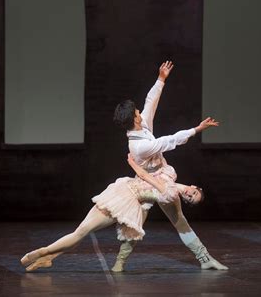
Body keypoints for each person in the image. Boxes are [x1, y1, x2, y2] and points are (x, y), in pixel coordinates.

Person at [111, 61, 228, 271]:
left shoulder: (142, 125)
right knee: (138, 223)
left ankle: (205, 259)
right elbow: (170, 140)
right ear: (134, 119)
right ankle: (120, 262)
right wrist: (197, 129)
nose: (139, 111)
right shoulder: (139, 145)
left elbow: (150, 102)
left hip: (162, 177)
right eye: (137, 112)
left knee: (179, 220)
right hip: (147, 183)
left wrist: (161, 79)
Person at [20, 154, 205, 272]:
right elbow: (159, 150)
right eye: (194, 193)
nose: (190, 196)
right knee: (82, 231)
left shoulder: (172, 195)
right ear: (194, 186)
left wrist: (132, 163)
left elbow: (146, 178)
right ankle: (49, 256)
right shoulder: (171, 172)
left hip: (130, 203)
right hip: (122, 192)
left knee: (89, 232)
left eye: (191, 200)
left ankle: (44, 252)